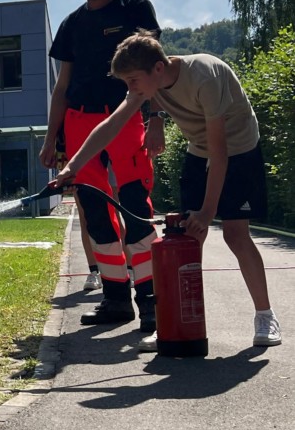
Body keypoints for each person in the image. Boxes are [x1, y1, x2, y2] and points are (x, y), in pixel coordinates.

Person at [54, 31, 281, 349]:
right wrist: (73, 166)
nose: (130, 88)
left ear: (157, 68)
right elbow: (111, 125)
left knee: (235, 234)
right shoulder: (150, 83)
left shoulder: (205, 76)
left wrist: (207, 212)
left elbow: (220, 152)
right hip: (199, 149)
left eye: (133, 80)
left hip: (239, 149)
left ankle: (265, 316)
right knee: (186, 239)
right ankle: (172, 324)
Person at [40, 0, 162, 334]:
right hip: (78, 122)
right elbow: (62, 86)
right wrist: (50, 138)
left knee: (135, 206)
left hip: (125, 115)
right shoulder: (71, 24)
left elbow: (153, 67)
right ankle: (115, 299)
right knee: (95, 214)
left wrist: (156, 118)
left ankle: (151, 300)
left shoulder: (134, 8)